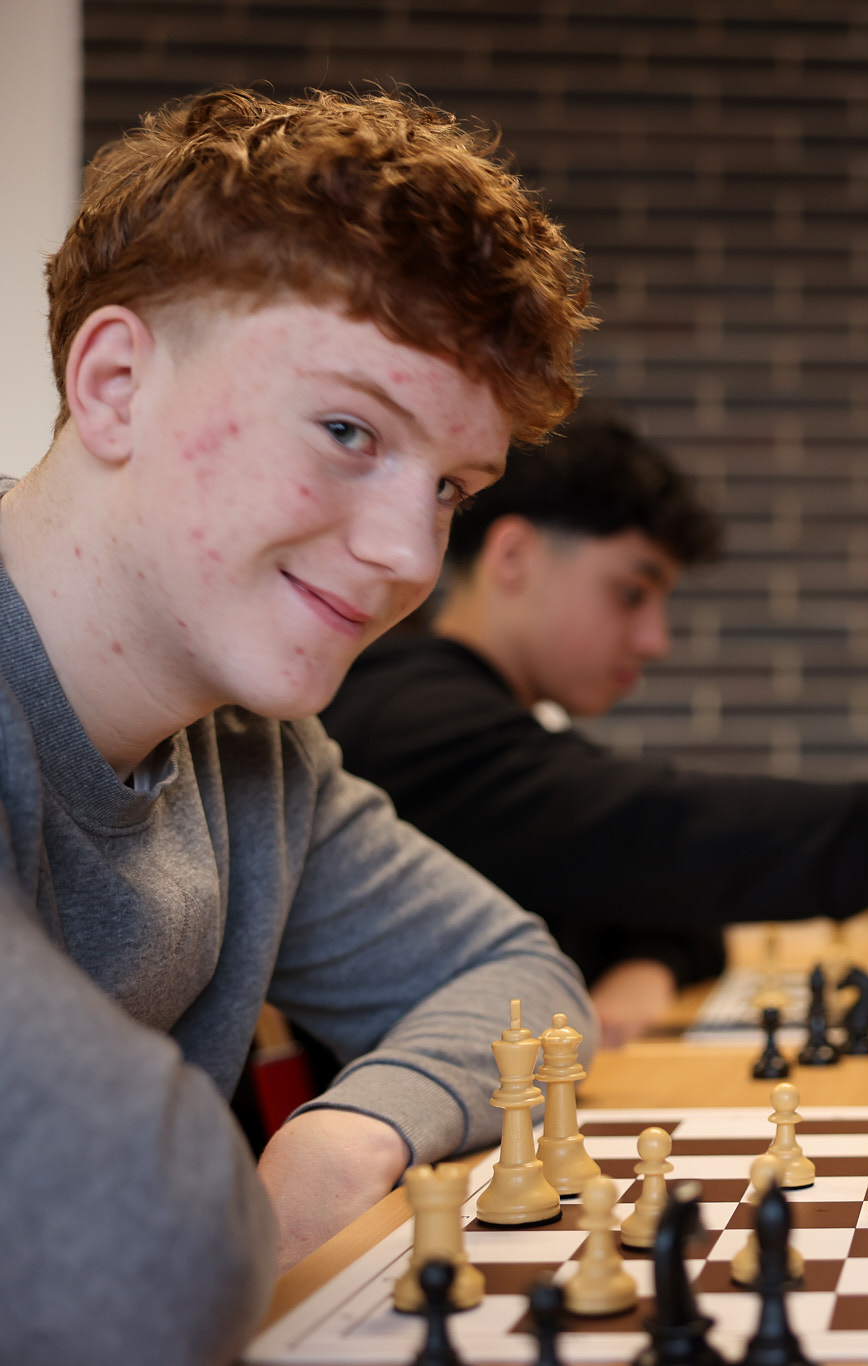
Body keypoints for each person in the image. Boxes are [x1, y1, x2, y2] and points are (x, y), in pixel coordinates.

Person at [1, 88, 598, 1363]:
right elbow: (142, 1260)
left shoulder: (250, 749)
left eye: (449, 487)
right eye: (346, 431)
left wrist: (349, 1128)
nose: (407, 557)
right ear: (114, 385)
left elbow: (516, 979)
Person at [323, 414, 868, 1046]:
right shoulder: (413, 723)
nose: (655, 639)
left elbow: (650, 877)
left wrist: (650, 960)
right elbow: (675, 837)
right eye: (632, 591)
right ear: (514, 557)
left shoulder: (475, 716)